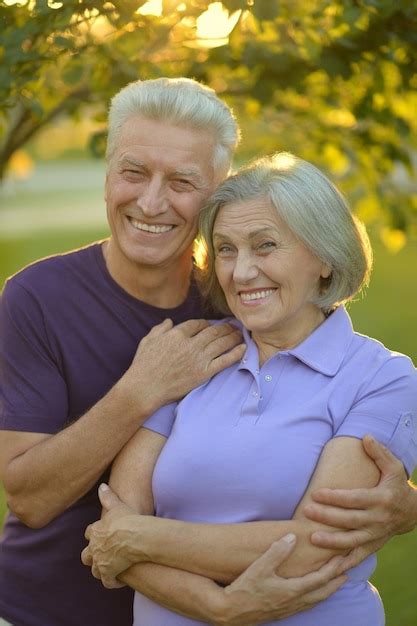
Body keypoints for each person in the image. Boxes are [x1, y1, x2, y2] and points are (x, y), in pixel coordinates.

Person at [0, 77, 416, 626]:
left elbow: (341, 490)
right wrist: (140, 390)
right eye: (133, 171)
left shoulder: (239, 313)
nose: (151, 201)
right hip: (50, 607)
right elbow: (29, 499)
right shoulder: (37, 298)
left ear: (216, 192)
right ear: (108, 176)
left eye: (181, 181)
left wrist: (407, 506)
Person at [82, 152, 417, 626]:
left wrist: (139, 538)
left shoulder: (380, 377)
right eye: (225, 249)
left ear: (323, 256)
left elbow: (309, 548)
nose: (240, 273)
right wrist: (216, 606)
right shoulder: (194, 354)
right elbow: (116, 520)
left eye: (264, 246)